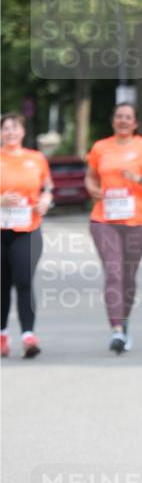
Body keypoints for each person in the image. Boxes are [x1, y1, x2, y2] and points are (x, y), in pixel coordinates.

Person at [85, 102, 142, 354]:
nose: (123, 120)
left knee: (128, 278)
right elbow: (90, 175)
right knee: (114, 273)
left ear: (136, 122)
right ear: (112, 120)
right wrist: (92, 188)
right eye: (119, 116)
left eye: (128, 117)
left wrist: (137, 178)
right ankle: (116, 330)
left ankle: (124, 322)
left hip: (136, 222)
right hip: (104, 220)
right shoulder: (100, 148)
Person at [0, 112, 53, 358]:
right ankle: (2, 335)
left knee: (23, 280)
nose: (10, 132)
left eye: (15, 128)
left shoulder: (36, 158)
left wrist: (46, 201)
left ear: (23, 131)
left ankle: (28, 336)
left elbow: (48, 188)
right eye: (6, 128)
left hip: (28, 228)